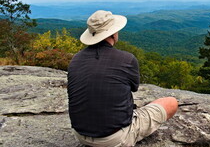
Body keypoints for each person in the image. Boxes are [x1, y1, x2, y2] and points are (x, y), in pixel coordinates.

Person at [67, 10, 178, 147]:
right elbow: (134, 87)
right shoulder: (127, 59)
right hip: (114, 139)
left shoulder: (75, 59)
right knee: (171, 102)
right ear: (113, 33)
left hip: (80, 135)